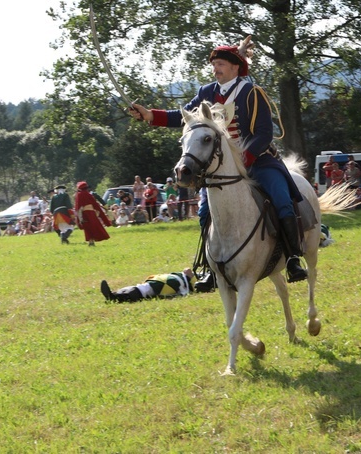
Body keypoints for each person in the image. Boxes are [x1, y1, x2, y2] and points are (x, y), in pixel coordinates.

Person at [129, 36, 308, 283]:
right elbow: (183, 118)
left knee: (282, 200)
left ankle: (292, 259)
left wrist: (243, 159)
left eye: (221, 64)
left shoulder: (252, 93)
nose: (216, 69)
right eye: (214, 65)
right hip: (220, 167)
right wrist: (151, 115)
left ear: (236, 67)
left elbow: (264, 134)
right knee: (204, 212)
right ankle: (211, 269)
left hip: (258, 161)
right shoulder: (207, 92)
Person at [100, 268, 195, 303]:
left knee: (142, 290)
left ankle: (114, 297)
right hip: (162, 282)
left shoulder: (192, 282)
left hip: (166, 285)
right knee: (140, 288)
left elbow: (188, 270)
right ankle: (113, 295)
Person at [74, 181, 111, 246]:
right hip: (91, 213)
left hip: (84, 213)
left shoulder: (79, 195)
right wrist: (99, 213)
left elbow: (78, 207)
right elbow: (95, 205)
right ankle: (92, 240)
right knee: (94, 226)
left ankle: (91, 241)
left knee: (87, 228)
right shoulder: (89, 195)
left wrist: (80, 217)